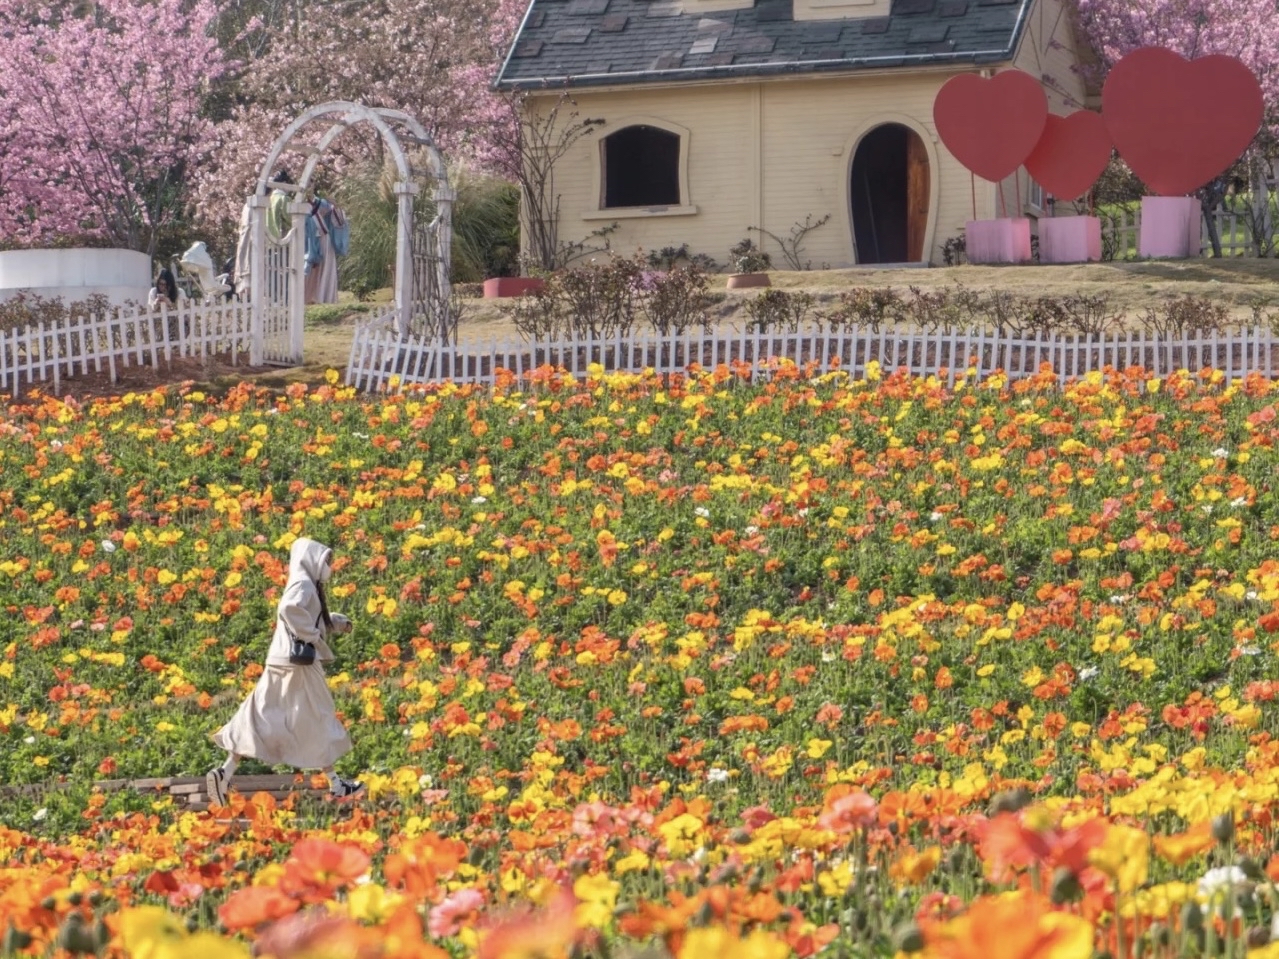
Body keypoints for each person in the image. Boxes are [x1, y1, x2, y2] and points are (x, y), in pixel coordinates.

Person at [206, 537, 365, 805]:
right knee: (319, 715)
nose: (329, 566)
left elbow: (305, 614)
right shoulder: (303, 583)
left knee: (260, 715)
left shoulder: (305, 582)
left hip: (280, 661)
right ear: (310, 559)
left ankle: (225, 772)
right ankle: (337, 785)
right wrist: (313, 635)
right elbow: (288, 609)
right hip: (298, 664)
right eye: (326, 560)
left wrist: (333, 623)